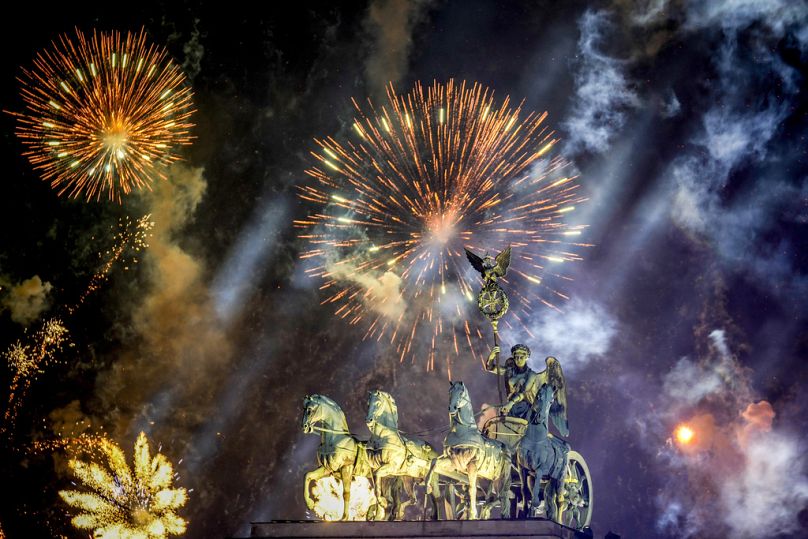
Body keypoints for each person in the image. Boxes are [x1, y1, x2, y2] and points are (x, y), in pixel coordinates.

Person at [484, 343, 538, 419]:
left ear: (526, 357)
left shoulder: (531, 374)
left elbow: (525, 392)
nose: (518, 360)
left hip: (525, 410)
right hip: (509, 408)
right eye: (516, 357)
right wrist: (492, 356)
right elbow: (490, 368)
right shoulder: (509, 371)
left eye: (521, 357)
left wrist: (510, 403)